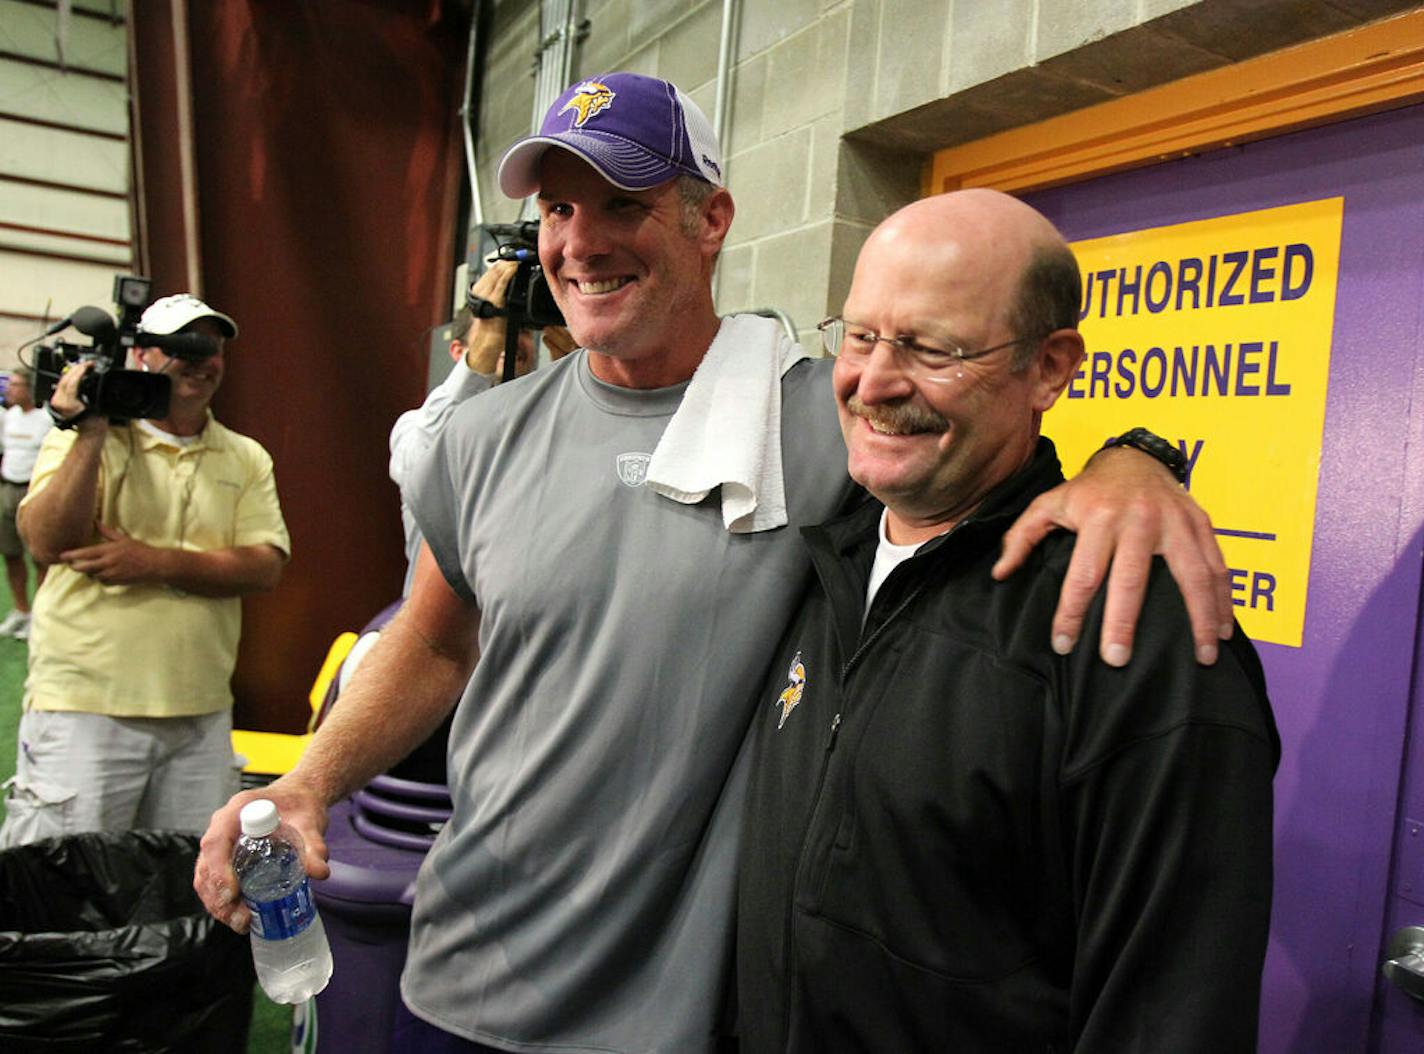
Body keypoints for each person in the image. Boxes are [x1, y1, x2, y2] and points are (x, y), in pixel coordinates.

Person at [196, 73, 1232, 1054]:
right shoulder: (481, 438)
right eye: (558, 211)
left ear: (711, 219)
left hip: (676, 1015)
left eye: (620, 205)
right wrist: (310, 781)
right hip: (460, 964)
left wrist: (1132, 462)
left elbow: (984, 421)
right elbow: (432, 638)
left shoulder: (818, 422)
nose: (580, 243)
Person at [736, 190, 1278, 1052]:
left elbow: (1171, 1011)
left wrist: (1137, 461)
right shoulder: (816, 560)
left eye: (932, 348)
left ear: (1052, 368)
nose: (873, 382)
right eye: (863, 335)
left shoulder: (1127, 620)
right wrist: (1138, 451)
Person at [0, 293, 290, 848]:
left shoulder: (244, 456)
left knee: (184, 888)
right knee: (66, 887)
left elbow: (264, 566)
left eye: (212, 349)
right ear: (142, 356)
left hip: (200, 713)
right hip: (84, 707)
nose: (200, 360)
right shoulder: (91, 435)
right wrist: (89, 431)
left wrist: (150, 562)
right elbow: (46, 540)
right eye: (183, 347)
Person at [389, 261, 575, 594]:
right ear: (458, 351)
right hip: (442, 631)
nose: (511, 339)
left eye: (519, 332)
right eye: (499, 330)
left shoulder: (546, 427)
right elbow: (427, 471)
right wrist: (487, 346)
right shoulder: (415, 426)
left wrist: (578, 371)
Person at [0, 366, 52, 639]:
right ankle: (21, 610)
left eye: (16, 384)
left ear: (31, 389)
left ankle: (40, 618)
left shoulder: (46, 420)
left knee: (39, 557)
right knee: (10, 553)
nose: (10, 389)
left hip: (35, 493)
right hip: (9, 489)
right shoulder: (8, 417)